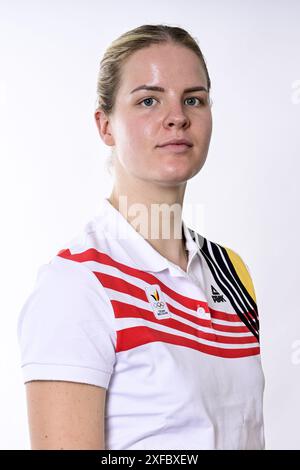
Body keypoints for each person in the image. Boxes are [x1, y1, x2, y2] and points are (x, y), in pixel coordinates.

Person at [17, 24, 265, 450]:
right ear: (105, 126)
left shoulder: (231, 272)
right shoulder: (77, 285)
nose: (177, 116)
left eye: (194, 99)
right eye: (149, 100)